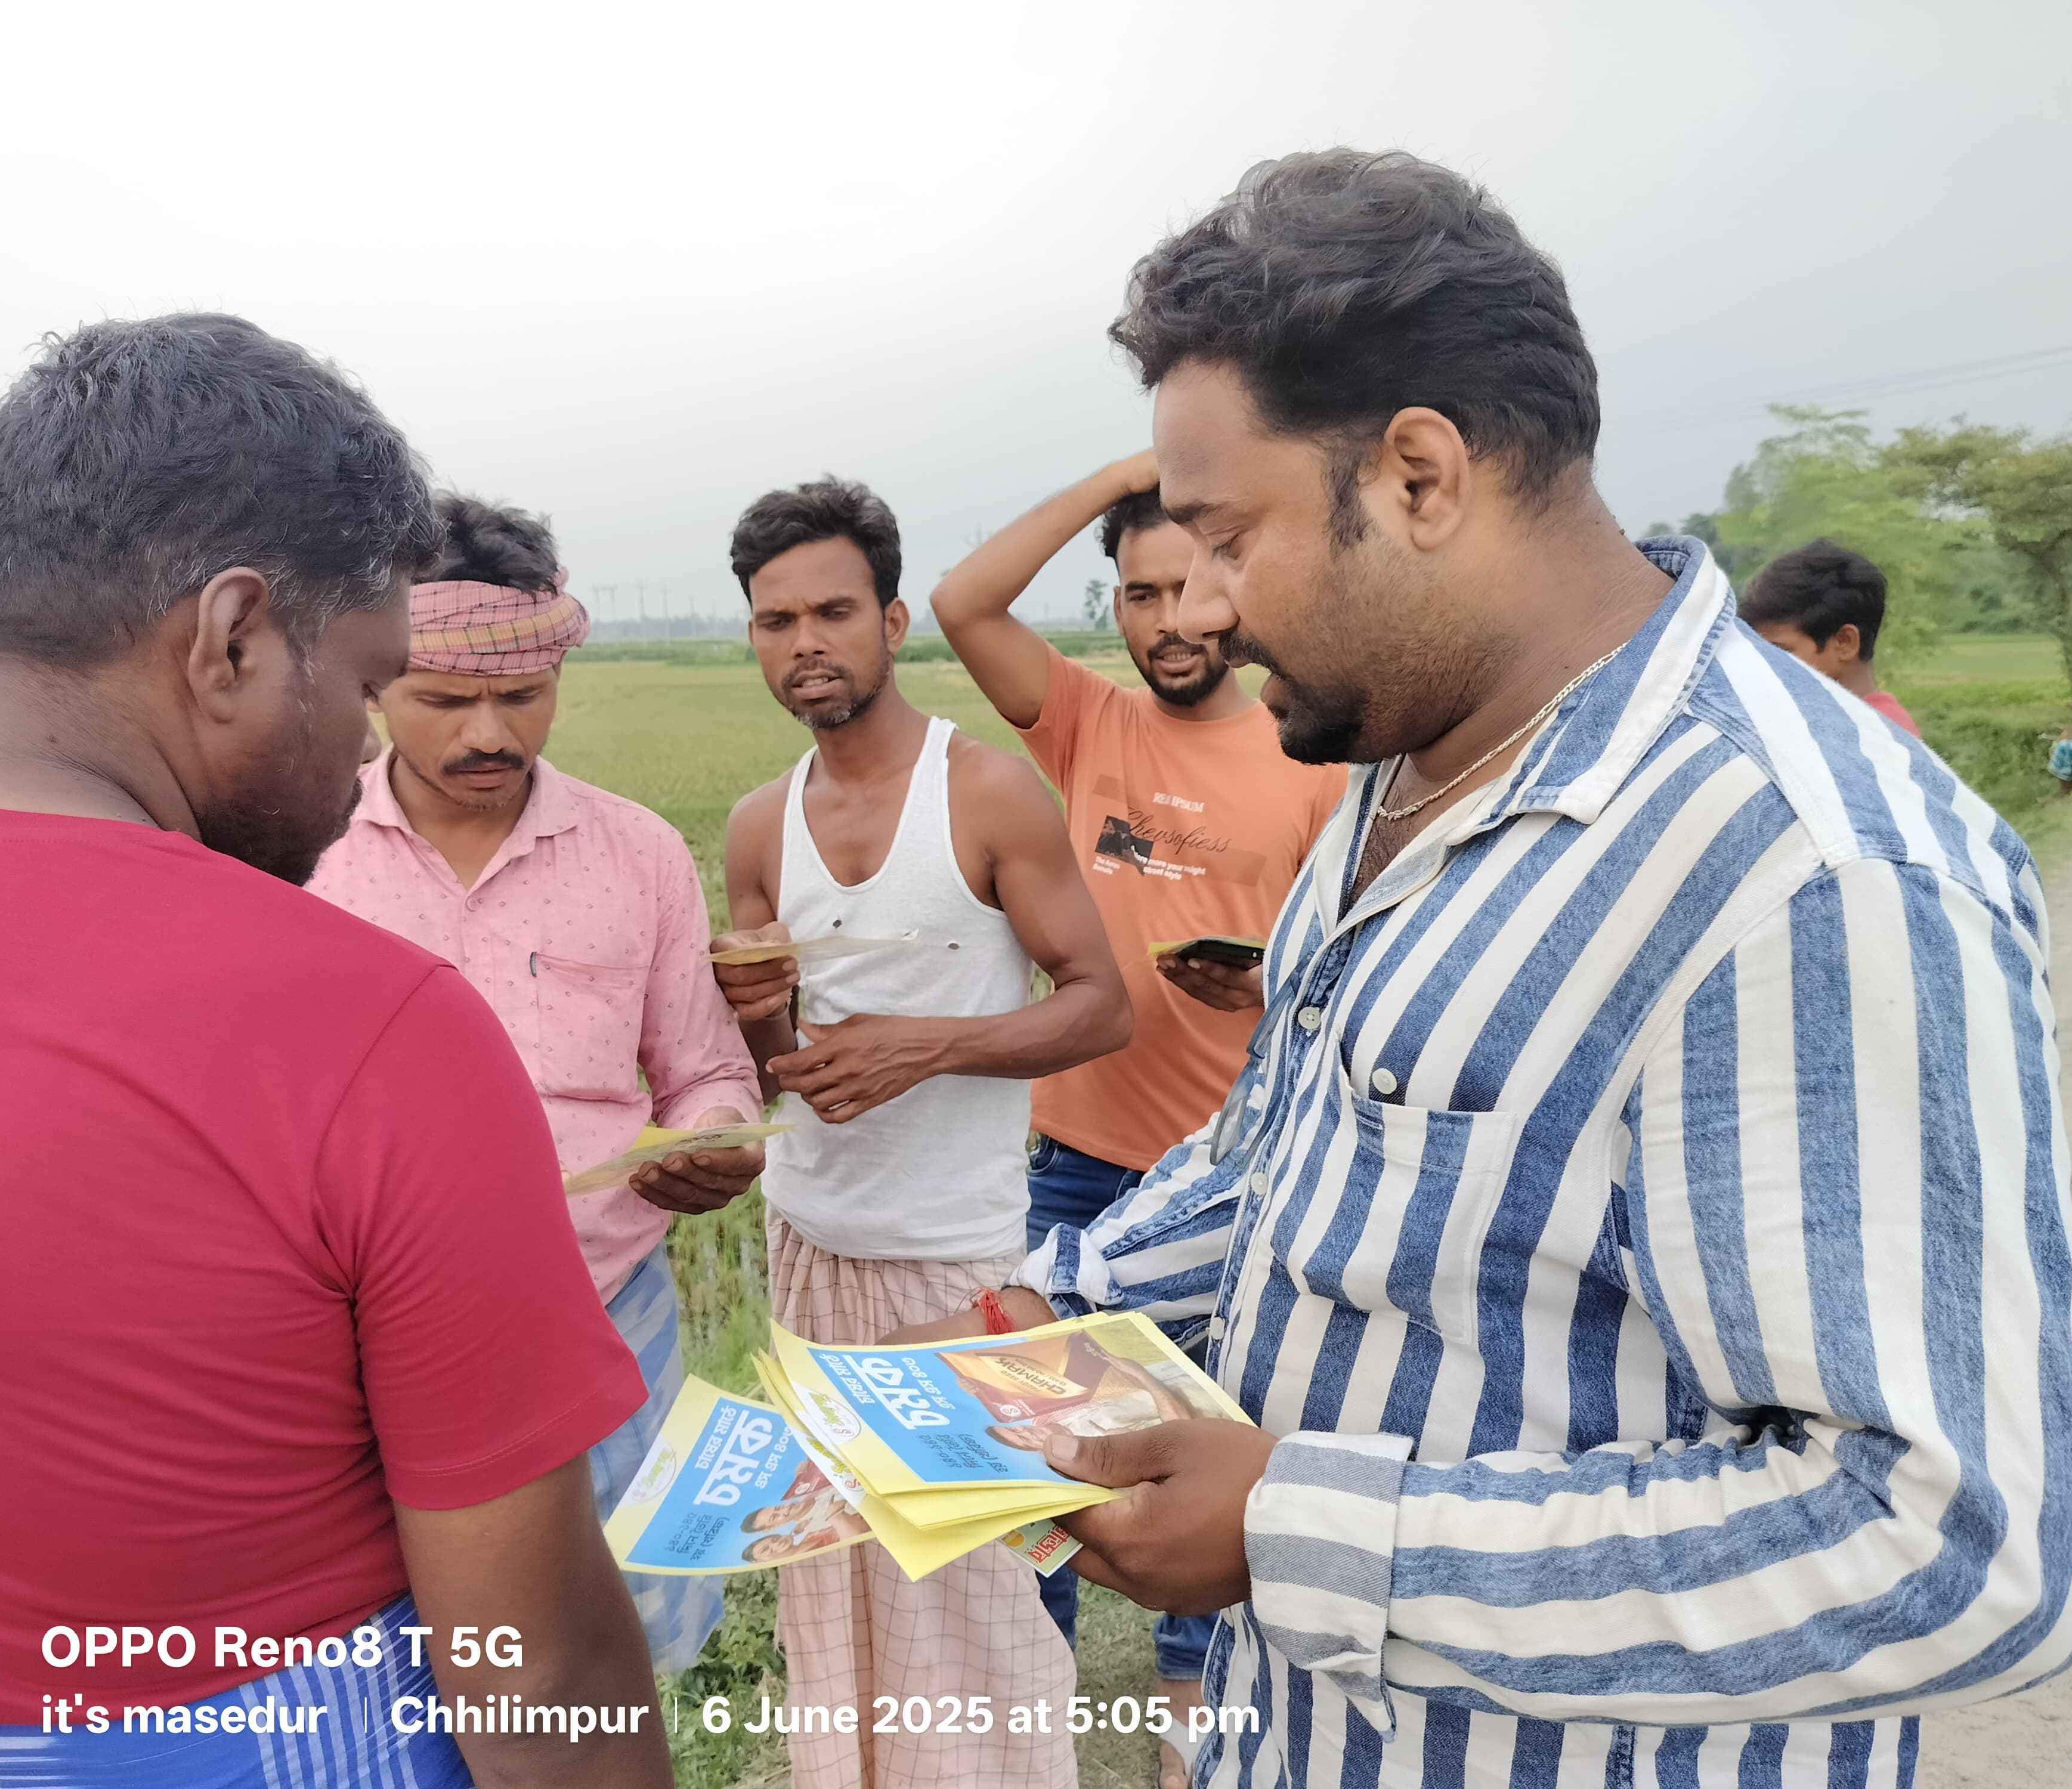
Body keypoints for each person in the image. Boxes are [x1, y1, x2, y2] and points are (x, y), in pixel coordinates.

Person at [895, 151, 2072, 1789]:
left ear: (1418, 475)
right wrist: (1063, 1306)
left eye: (1228, 538)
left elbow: (1949, 1544)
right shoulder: (1400, 760)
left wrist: (1305, 1534)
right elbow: (1284, 1160)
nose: (1209, 611)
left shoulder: (1804, 869)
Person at [0, 315, 670, 1787]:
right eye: (364, 685)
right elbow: (532, 1669)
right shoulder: (371, 1030)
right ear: (230, 639)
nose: (363, 752)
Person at [712, 475, 1131, 1789]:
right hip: (808, 1255)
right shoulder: (757, 828)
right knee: (836, 1590)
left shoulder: (987, 794)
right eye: (776, 620)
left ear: (892, 622)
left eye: (833, 612)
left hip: (959, 1269)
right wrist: (759, 1020)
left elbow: (1101, 1005)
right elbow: (785, 1078)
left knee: (981, 1603)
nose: (806, 644)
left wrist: (930, 1043)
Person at [305, 493, 762, 1675]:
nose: (488, 735)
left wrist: (719, 1134)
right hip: (363, 1339)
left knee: (622, 1644)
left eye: (522, 696)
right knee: (404, 1652)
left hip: (607, 1311)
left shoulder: (638, 854)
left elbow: (705, 1069)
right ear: (377, 684)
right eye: (444, 700)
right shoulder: (303, 860)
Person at [931, 456, 1346, 1750]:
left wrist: (1264, 985)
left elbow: (1347, 969)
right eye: (1137, 594)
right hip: (1076, 1165)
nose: (1167, 622)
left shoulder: (1309, 752)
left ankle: (1190, 1732)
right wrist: (1130, 475)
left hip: (1233, 1179)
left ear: (1235, 589)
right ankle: (1036, 1720)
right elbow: (962, 603)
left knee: (1203, 1468)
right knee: (1045, 1459)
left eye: (1189, 586)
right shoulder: (1086, 724)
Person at [1736, 537, 1922, 736]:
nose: (1765, 668)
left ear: (1845, 643)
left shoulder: (1878, 737)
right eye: (1760, 653)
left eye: (1780, 652)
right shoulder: (1823, 723)